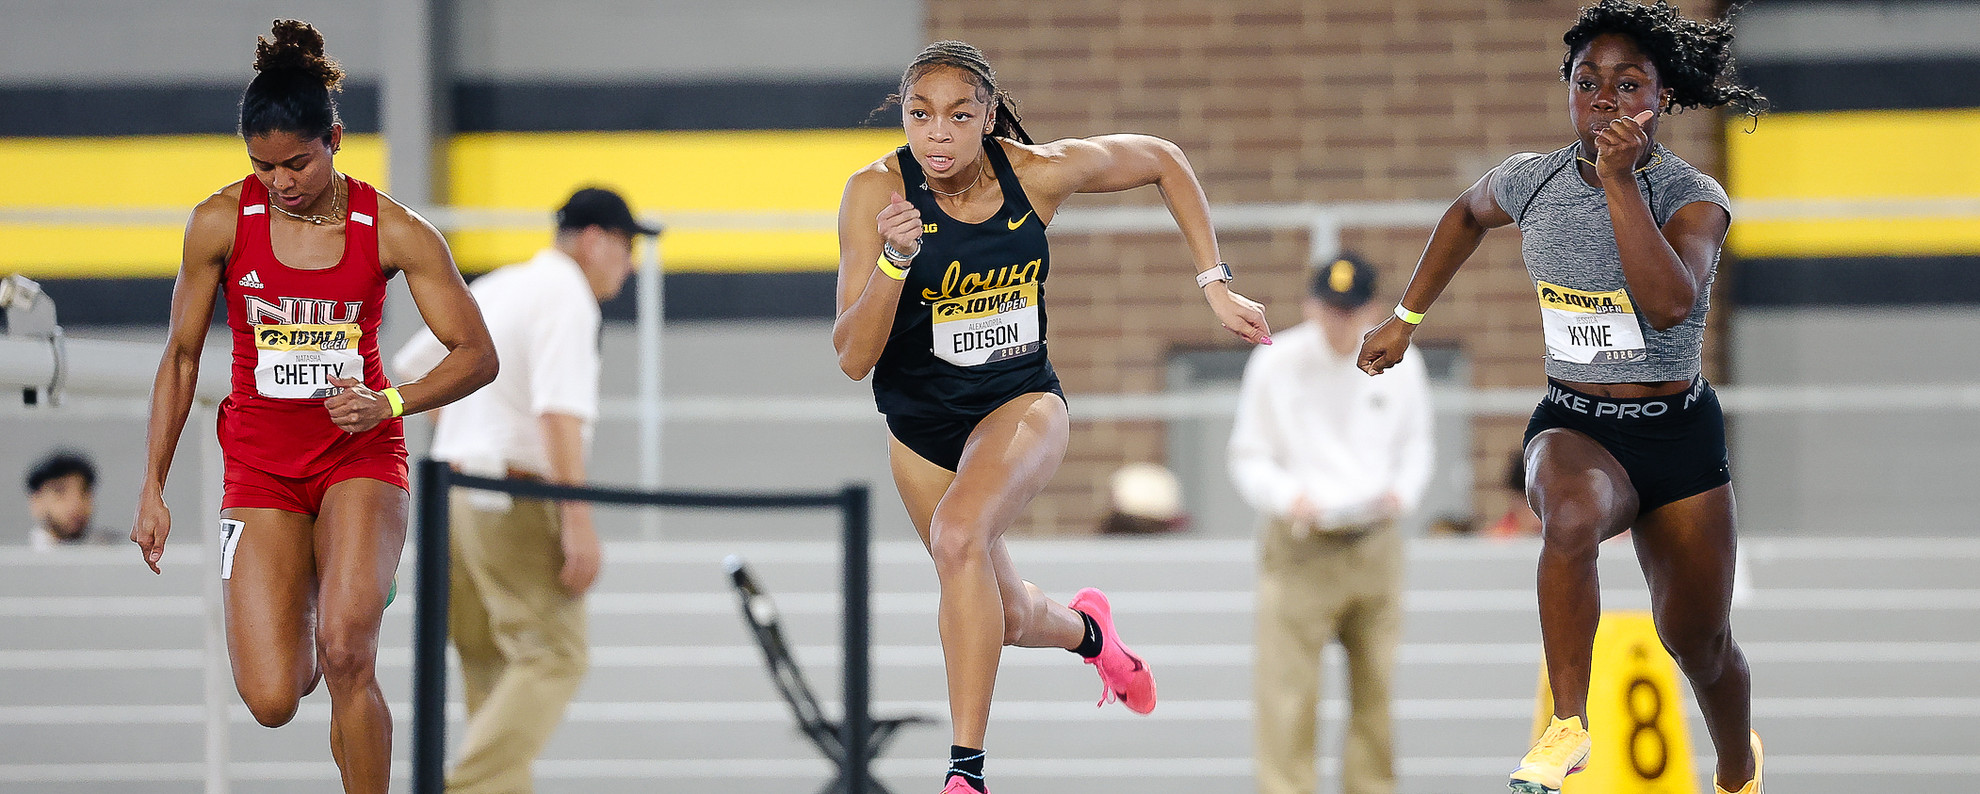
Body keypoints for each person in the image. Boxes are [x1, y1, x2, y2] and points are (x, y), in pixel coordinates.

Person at [831, 41, 1271, 794]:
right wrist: (894, 262)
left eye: (958, 116)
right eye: (920, 115)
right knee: (1005, 618)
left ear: (988, 118)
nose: (937, 134)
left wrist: (1214, 284)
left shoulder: (1035, 174)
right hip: (920, 431)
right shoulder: (875, 194)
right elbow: (851, 356)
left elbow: (1163, 159)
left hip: (1020, 402)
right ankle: (1093, 634)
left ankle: (965, 774)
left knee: (958, 534)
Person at [1356, 2, 1767, 793]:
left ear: (1661, 97)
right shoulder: (1531, 179)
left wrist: (1619, 182)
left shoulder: (1693, 196)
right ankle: (1567, 726)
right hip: (1576, 422)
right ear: (1568, 91)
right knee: (1570, 519)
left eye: (1628, 84)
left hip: (1676, 433)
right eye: (1588, 83)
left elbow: (1668, 305)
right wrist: (1407, 318)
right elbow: (1465, 213)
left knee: (1698, 642)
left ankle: (1738, 771)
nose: (1606, 99)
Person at [130, 20, 497, 794]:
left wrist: (389, 401)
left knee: (345, 653)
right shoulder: (219, 222)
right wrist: (153, 484)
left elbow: (476, 354)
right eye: (262, 166)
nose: (282, 182)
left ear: (334, 140)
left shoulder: (392, 229)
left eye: (297, 163)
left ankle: (345, 596)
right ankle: (321, 580)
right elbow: (183, 356)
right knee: (272, 699)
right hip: (260, 468)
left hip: (358, 458)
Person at [392, 186, 653, 793]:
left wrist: (468, 431)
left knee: (489, 661)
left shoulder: (501, 285)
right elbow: (558, 413)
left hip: (455, 490)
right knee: (554, 655)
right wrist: (577, 522)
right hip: (513, 494)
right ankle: (463, 788)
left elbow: (413, 366)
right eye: (626, 248)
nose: (630, 266)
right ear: (595, 241)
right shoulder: (567, 298)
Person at [1228, 255, 1432, 794]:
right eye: (1330, 309)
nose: (1339, 322)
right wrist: (1286, 497)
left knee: (1377, 689)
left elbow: (1416, 446)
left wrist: (1403, 492)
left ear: (1372, 309)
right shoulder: (1277, 361)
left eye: (1351, 310)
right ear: (1309, 307)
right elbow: (1249, 454)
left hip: (1374, 542)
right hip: (1300, 545)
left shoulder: (1403, 362)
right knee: (1287, 692)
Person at [26, 451, 119, 549]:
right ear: (36, 502)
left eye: (83, 491)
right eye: (60, 491)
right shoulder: (22, 555)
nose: (76, 503)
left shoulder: (113, 551)